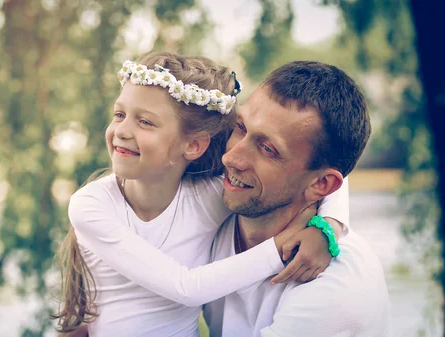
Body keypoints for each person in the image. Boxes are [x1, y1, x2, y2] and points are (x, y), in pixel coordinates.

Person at [52, 52, 350, 337]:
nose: (123, 131)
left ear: (193, 146)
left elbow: (320, 174)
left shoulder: (206, 199)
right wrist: (283, 245)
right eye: (119, 114)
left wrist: (328, 228)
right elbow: (187, 288)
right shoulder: (91, 206)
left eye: (145, 122)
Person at [203, 61, 391, 336]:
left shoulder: (336, 292)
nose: (230, 157)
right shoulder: (215, 205)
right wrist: (331, 220)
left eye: (267, 149)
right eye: (241, 127)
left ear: (321, 184)